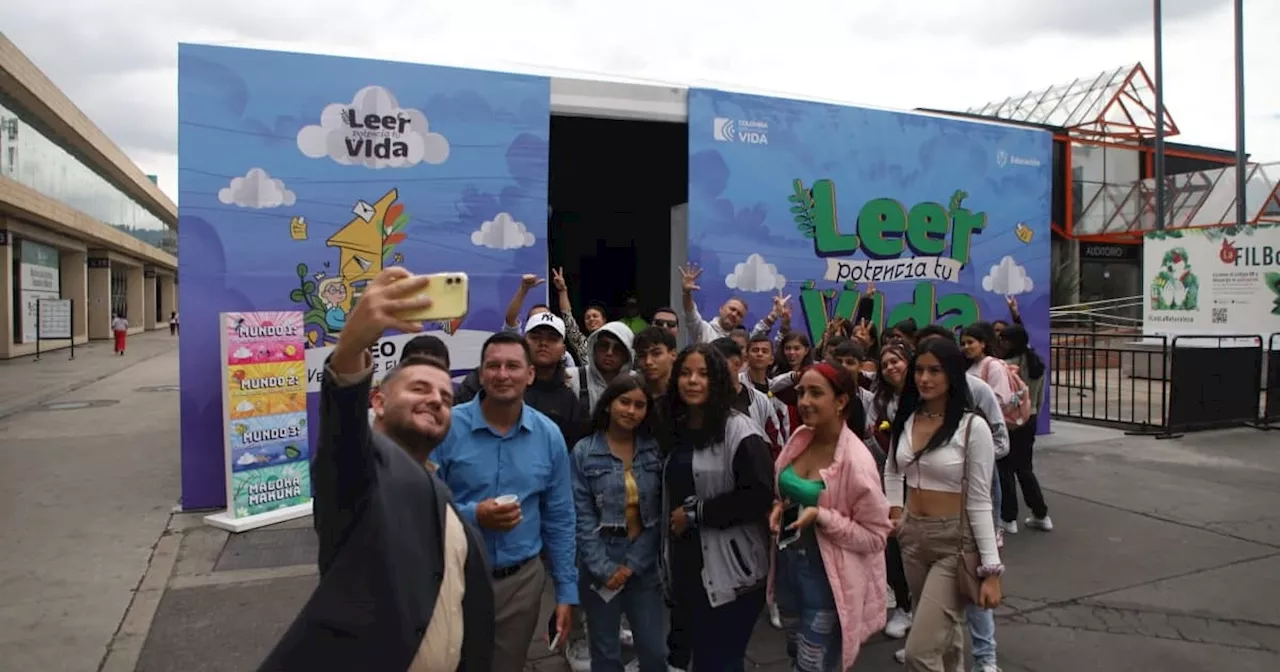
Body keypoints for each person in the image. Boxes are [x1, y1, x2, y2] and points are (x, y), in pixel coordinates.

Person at [260, 267, 493, 672]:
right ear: (378, 402)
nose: (438, 400)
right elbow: (343, 432)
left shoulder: (439, 493)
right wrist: (351, 348)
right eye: (419, 388)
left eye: (445, 396)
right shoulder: (360, 474)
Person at [433, 331, 578, 671]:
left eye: (513, 366)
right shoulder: (448, 428)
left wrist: (566, 593)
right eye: (493, 366)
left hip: (520, 584)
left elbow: (559, 517)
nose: (502, 374)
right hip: (454, 577)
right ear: (480, 374)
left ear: (529, 374)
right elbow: (422, 504)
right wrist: (473, 515)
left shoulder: (548, 435)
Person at [886, 337, 1003, 672]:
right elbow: (893, 470)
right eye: (920, 370)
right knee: (944, 634)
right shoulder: (907, 418)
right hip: (912, 537)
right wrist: (895, 512)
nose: (925, 378)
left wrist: (991, 571)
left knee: (918, 653)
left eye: (934, 370)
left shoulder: (972, 427)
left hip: (954, 542)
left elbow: (981, 501)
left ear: (952, 373)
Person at [768, 362, 891, 671]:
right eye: (801, 392)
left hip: (828, 581)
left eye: (815, 393)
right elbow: (786, 492)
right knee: (797, 654)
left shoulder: (856, 461)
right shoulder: (800, 437)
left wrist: (823, 516)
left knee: (812, 665)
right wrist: (779, 507)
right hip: (788, 569)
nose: (805, 401)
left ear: (840, 401)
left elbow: (876, 536)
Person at [662, 344, 774, 671]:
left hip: (733, 570)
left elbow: (758, 495)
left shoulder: (740, 430)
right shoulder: (676, 427)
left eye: (703, 374)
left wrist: (697, 513)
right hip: (688, 565)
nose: (692, 381)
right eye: (685, 373)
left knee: (719, 660)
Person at [570, 376, 667, 672]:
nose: (631, 411)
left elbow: (660, 514)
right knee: (605, 652)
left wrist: (634, 563)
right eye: (624, 402)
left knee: (653, 651)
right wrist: (603, 568)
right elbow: (581, 515)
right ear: (609, 404)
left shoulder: (653, 450)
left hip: (644, 560)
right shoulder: (584, 452)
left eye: (639, 405)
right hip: (599, 559)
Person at [997, 324, 1052, 532]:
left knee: (1005, 468)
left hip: (1010, 420)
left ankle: (1008, 517)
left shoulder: (1006, 366)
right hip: (1031, 418)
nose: (1000, 344)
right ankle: (1041, 513)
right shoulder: (1036, 363)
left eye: (1003, 340)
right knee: (1025, 468)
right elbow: (1039, 397)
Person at [678, 264, 778, 343]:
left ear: (741, 321)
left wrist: (774, 314)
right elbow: (691, 314)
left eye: (739, 314)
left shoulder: (741, 342)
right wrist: (687, 293)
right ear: (721, 309)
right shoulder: (704, 330)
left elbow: (759, 331)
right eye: (732, 309)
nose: (734, 314)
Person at [567, 321, 635, 412]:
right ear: (594, 349)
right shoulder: (571, 377)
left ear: (627, 356)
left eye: (617, 349)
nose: (609, 353)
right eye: (604, 346)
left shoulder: (637, 383)